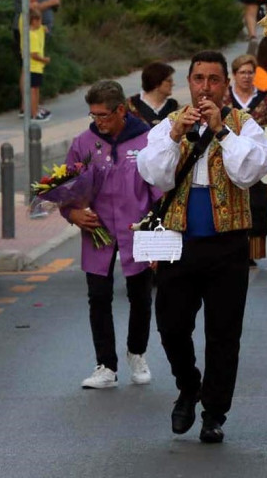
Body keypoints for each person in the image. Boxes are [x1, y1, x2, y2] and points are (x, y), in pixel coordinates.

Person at [136, 50, 267, 443]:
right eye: (199, 79)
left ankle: (214, 411)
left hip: (228, 244)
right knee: (171, 324)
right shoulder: (168, 125)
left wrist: (222, 132)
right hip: (179, 241)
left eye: (214, 79)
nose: (205, 87)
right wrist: (176, 134)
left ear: (225, 85)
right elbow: (154, 175)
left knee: (223, 333)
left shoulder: (243, 125)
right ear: (189, 83)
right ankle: (188, 385)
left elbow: (249, 172)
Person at [63, 80, 159, 390]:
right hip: (99, 230)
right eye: (93, 116)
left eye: (103, 115)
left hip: (138, 229)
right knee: (99, 296)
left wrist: (159, 233)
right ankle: (105, 364)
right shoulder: (83, 143)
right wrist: (72, 213)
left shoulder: (146, 139)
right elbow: (66, 189)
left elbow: (159, 190)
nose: (98, 122)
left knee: (141, 295)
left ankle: (136, 351)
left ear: (121, 110)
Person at [226, 54, 267, 266]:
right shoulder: (225, 98)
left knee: (256, 204)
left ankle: (251, 251)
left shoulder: (265, 99)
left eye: (250, 72)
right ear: (234, 75)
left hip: (255, 158)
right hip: (228, 158)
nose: (247, 76)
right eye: (242, 72)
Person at [13, 0, 60, 118]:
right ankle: (27, 108)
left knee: (35, 71)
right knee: (28, 68)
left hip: (39, 32)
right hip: (28, 32)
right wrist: (51, 3)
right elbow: (30, 8)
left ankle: (33, 106)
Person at [19, 8, 51, 122]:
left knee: (36, 90)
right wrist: (44, 60)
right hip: (33, 66)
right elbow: (34, 54)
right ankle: (34, 113)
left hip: (36, 67)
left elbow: (42, 29)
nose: (41, 24)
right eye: (39, 21)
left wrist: (43, 28)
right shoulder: (31, 35)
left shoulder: (35, 32)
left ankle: (36, 110)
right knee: (33, 90)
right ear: (34, 21)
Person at [128, 62, 179, 127]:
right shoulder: (132, 105)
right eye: (169, 81)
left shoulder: (174, 106)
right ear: (156, 82)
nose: (173, 84)